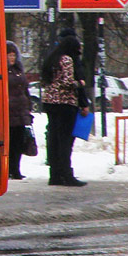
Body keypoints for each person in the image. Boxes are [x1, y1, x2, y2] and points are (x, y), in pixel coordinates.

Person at [41, 32, 91, 187]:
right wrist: (80, 83)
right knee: (65, 140)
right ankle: (67, 175)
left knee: (54, 138)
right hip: (65, 103)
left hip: (50, 103)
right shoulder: (67, 60)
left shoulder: (51, 59)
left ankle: (54, 175)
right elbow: (67, 82)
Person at [5, 41, 31, 180]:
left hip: (20, 112)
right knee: (10, 143)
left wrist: (28, 108)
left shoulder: (18, 71)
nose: (12, 58)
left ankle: (16, 169)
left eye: (14, 55)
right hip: (9, 112)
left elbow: (25, 90)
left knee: (19, 143)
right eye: (9, 55)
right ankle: (9, 169)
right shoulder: (3, 72)